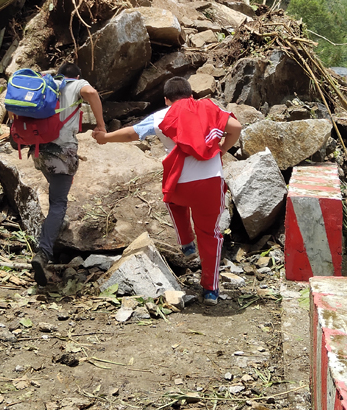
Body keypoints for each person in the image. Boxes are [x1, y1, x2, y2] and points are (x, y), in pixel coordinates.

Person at [93, 77, 242, 304]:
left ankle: (186, 243)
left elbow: (133, 133)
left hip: (180, 184)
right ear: (191, 96)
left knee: (172, 199)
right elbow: (236, 128)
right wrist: (221, 149)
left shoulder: (163, 115)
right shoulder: (208, 108)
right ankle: (211, 290)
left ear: (166, 99)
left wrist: (105, 138)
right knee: (210, 235)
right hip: (210, 183)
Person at [30, 61, 106, 286]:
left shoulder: (48, 84)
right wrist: (100, 124)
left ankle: (54, 228)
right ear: (77, 75)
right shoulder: (76, 84)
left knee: (55, 195)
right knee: (58, 203)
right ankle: (43, 254)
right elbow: (90, 92)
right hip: (62, 151)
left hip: (40, 150)